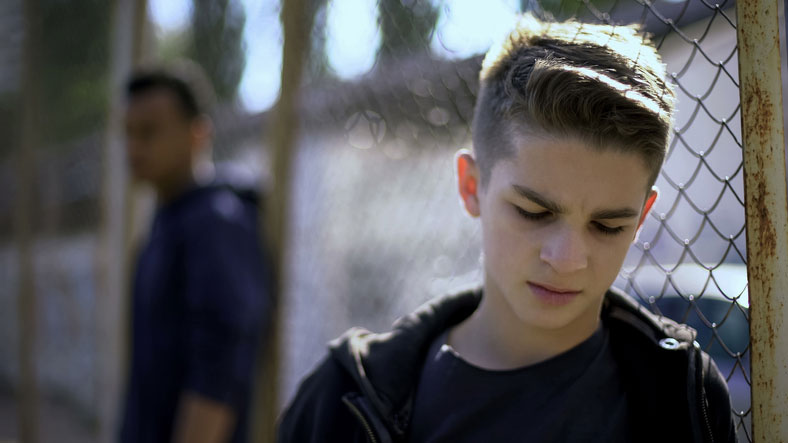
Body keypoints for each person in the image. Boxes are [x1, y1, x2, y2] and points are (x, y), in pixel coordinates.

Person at [276, 14, 735, 443]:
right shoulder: (341, 402)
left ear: (642, 218)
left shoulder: (686, 396)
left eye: (608, 225)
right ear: (471, 186)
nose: (567, 258)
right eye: (534, 213)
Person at [120, 61, 273, 443]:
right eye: (128, 133)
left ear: (197, 134)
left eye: (149, 132)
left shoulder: (215, 222)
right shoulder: (169, 221)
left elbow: (221, 369)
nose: (133, 147)